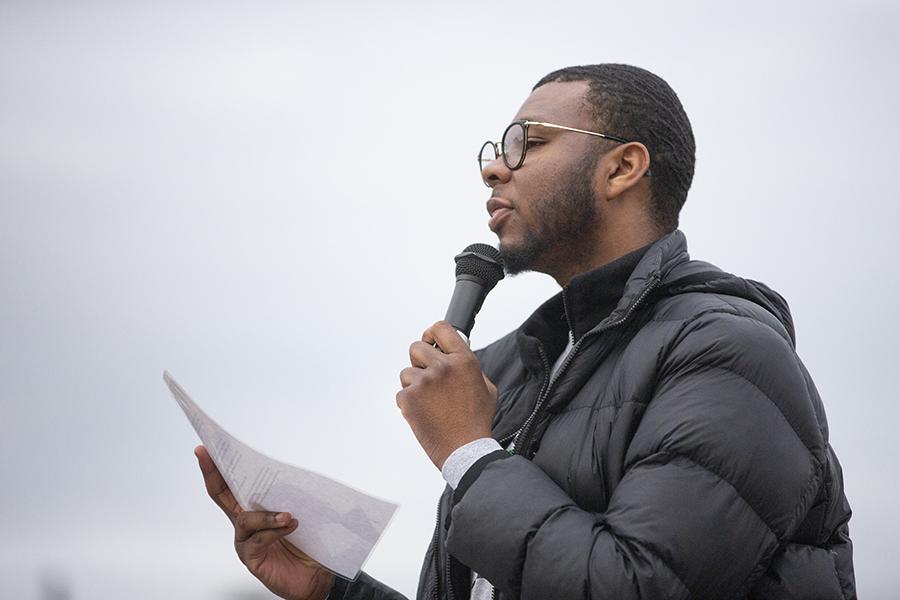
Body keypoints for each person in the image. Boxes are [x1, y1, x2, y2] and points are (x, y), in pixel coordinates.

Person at [194, 63, 856, 600]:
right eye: (495, 150)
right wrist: (327, 591)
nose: (493, 168)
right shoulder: (520, 367)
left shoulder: (728, 353)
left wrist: (469, 453)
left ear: (622, 169)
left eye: (529, 142)